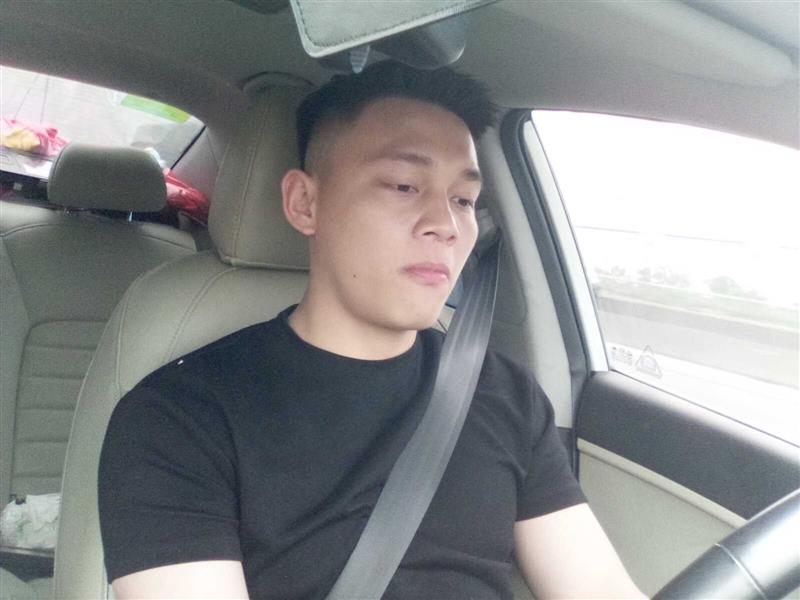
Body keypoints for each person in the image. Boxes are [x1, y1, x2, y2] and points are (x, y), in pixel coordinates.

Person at [98, 60, 645, 599]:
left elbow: (597, 587)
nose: (447, 225)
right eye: (405, 186)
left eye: (463, 200)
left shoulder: (505, 394)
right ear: (304, 203)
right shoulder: (178, 419)